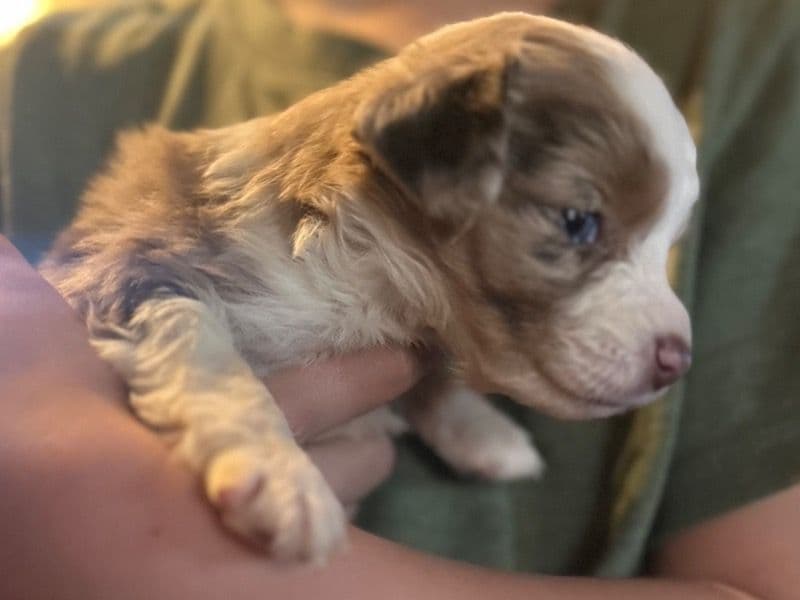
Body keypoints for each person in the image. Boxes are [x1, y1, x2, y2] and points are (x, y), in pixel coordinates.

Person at [1, 0, 798, 598]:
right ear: (439, 162)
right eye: (579, 224)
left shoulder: (754, 49)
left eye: (664, 248)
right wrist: (229, 429)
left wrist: (153, 555)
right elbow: (133, 293)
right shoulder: (48, 81)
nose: (670, 337)